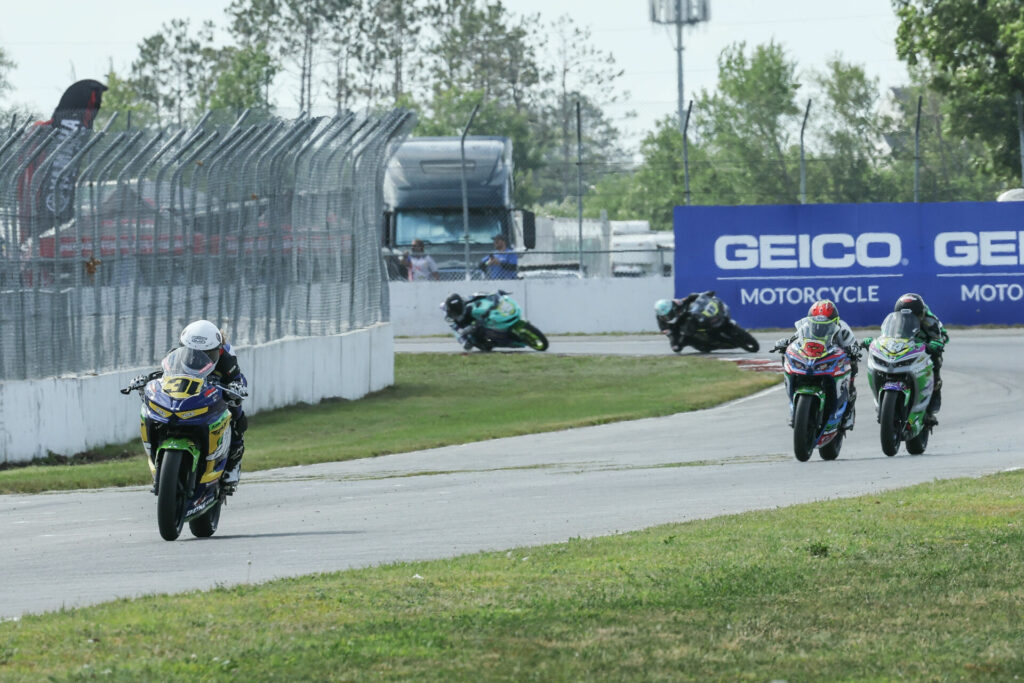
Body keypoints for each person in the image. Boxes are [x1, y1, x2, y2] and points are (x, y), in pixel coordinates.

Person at [178, 320, 249, 491]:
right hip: (191, 391)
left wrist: (235, 389)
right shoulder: (180, 354)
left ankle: (233, 463)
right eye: (194, 352)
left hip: (218, 388)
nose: (198, 357)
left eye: (207, 354)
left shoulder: (226, 360)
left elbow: (239, 380)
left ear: (217, 351)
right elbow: (165, 372)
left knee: (236, 414)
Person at [773, 299, 861, 430]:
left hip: (833, 363)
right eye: (815, 324)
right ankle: (795, 408)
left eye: (826, 324)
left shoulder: (843, 330)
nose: (820, 327)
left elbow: (854, 345)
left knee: (852, 366)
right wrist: (785, 343)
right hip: (811, 360)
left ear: (835, 322)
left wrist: (854, 349)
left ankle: (848, 410)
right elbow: (794, 339)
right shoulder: (805, 327)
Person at [891, 293, 948, 425]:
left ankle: (933, 394)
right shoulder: (896, 320)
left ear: (920, 315)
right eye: (904, 317)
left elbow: (940, 338)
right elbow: (888, 334)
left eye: (912, 317)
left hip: (926, 346)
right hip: (906, 346)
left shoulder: (930, 320)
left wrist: (937, 344)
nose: (907, 319)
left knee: (936, 359)